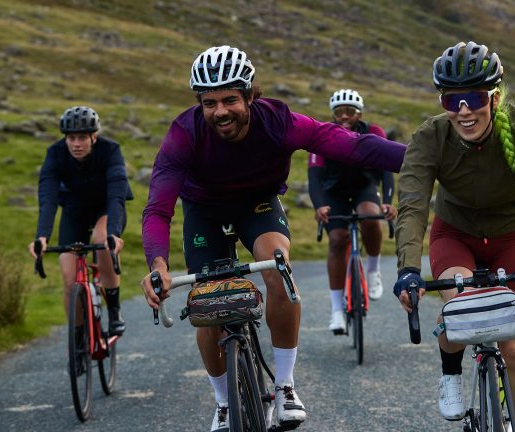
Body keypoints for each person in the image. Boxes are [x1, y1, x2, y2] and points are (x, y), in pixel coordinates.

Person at [141, 45, 406, 431]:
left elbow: (353, 146)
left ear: (250, 95)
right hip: (204, 212)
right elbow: (158, 208)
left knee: (278, 269)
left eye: (230, 99)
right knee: (207, 305)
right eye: (209, 102)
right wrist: (158, 266)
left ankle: (284, 387)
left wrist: (420, 159)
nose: (220, 112)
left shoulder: (279, 121)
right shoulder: (184, 133)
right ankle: (223, 403)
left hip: (257, 205)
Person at [392, 41, 515, 432]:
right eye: (451, 100)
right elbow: (412, 205)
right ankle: (451, 373)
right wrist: (408, 268)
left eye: (473, 97)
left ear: (493, 97)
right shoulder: (430, 137)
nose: (463, 110)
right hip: (454, 234)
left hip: (509, 236)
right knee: (465, 314)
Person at [28, 106, 133, 339]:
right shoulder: (55, 154)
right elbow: (48, 199)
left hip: (106, 208)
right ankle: (77, 338)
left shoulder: (110, 150)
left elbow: (116, 196)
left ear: (93, 137)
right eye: (71, 138)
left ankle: (114, 310)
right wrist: (42, 237)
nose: (76, 144)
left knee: (101, 239)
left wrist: (114, 233)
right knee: (69, 277)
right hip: (74, 211)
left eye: (82, 138)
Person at [308, 88, 397, 335]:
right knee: (337, 240)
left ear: (359, 113)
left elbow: (388, 169)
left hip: (364, 187)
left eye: (350, 111)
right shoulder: (321, 134)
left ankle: (373, 270)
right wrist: (318, 206)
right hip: (333, 192)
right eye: (339, 112)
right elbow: (314, 177)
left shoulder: (373, 132)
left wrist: (388, 201)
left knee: (370, 215)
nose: (344, 117)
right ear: (333, 114)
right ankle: (337, 310)